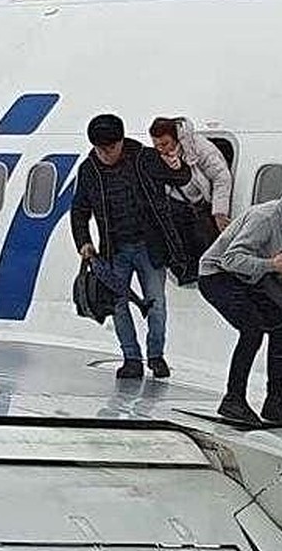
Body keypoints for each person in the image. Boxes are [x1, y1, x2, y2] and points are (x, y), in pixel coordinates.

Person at [198, 177, 282, 430]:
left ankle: (275, 403)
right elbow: (230, 259)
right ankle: (233, 399)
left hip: (246, 278)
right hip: (216, 276)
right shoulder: (267, 218)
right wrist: (272, 265)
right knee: (253, 330)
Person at [70, 114, 191, 380]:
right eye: (100, 149)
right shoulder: (89, 169)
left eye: (110, 148)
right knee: (118, 305)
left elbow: (181, 177)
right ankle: (131, 358)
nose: (106, 154)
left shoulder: (144, 158)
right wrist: (84, 241)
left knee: (156, 303)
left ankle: (156, 356)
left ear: (121, 141)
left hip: (150, 246)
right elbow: (79, 209)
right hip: (115, 249)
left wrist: (175, 162)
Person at [149, 118, 234, 281]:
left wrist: (219, 211)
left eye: (165, 144)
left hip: (201, 205)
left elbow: (221, 177)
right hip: (176, 205)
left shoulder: (199, 147)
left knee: (205, 241)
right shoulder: (156, 157)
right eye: (157, 145)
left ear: (176, 138)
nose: (161, 149)